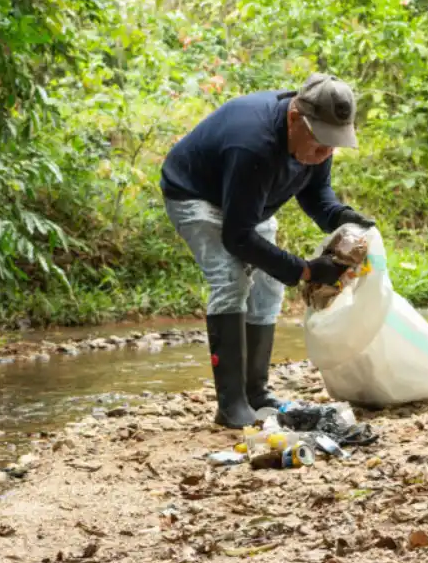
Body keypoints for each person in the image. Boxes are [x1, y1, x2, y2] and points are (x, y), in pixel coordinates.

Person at [159, 73, 375, 428]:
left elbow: (315, 193)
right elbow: (238, 237)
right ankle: (231, 406)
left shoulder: (318, 138)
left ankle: (255, 393)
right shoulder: (252, 144)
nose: (325, 153)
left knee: (270, 283)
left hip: (246, 201)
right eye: (321, 144)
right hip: (195, 194)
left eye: (333, 145)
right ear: (295, 119)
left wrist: (341, 216)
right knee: (231, 280)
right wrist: (305, 270)